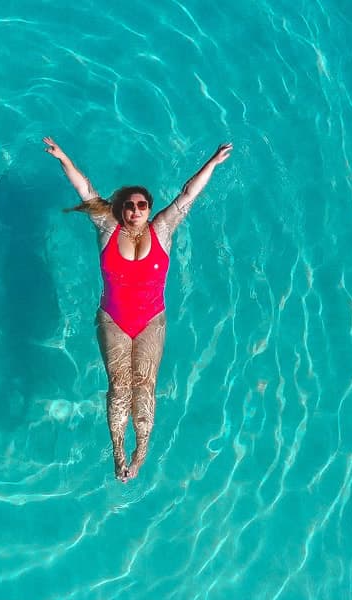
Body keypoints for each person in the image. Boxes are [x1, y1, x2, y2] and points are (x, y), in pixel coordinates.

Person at [43, 135, 233, 482]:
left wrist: (213, 162)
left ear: (149, 207)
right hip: (113, 320)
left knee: (144, 386)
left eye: (141, 205)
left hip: (151, 321)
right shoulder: (107, 227)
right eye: (129, 205)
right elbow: (85, 190)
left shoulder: (162, 230)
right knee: (119, 387)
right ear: (122, 209)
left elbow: (188, 194)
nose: (134, 211)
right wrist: (63, 158)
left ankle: (140, 452)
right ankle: (117, 450)